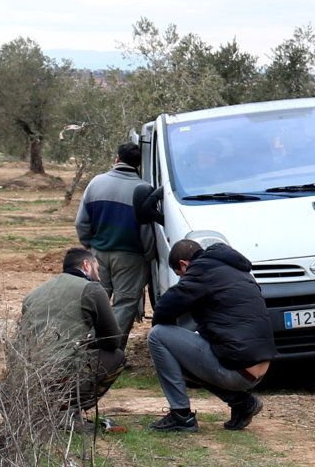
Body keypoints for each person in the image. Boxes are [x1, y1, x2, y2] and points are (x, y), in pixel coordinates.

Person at [145, 237, 274, 433]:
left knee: (157, 335)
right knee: (182, 349)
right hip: (258, 366)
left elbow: (164, 307)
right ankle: (242, 403)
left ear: (183, 264)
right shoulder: (232, 268)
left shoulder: (200, 271)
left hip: (237, 371)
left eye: (181, 275)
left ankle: (181, 416)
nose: (183, 280)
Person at [16, 246, 127, 420]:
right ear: (86, 265)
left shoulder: (34, 293)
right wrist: (93, 342)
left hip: (28, 376)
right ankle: (68, 410)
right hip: (60, 374)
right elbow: (113, 340)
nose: (98, 273)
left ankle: (46, 407)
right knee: (116, 356)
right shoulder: (92, 289)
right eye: (97, 268)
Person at [74, 141, 151, 337]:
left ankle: (87, 346)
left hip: (98, 254)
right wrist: (149, 256)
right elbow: (147, 233)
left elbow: (81, 223)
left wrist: (91, 246)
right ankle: (111, 354)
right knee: (124, 305)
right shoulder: (143, 189)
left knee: (95, 300)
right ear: (138, 164)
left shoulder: (96, 182)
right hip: (130, 258)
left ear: (117, 159)